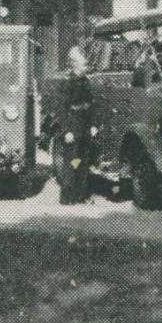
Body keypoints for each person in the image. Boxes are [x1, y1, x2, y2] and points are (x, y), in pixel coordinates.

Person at [58, 42, 96, 204]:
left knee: (83, 162)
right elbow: (62, 109)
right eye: (83, 64)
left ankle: (81, 195)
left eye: (86, 64)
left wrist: (93, 124)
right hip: (73, 128)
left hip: (85, 127)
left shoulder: (85, 81)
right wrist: (66, 130)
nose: (86, 66)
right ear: (74, 64)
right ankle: (68, 197)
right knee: (72, 162)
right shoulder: (68, 83)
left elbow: (91, 105)